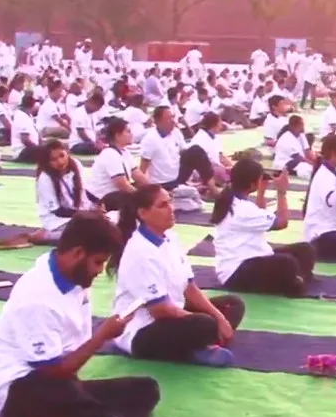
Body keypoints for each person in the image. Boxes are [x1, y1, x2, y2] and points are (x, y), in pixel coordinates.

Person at [0, 216, 161, 417]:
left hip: (60, 385)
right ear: (78, 253)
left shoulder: (74, 277)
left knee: (146, 390)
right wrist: (102, 336)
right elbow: (53, 372)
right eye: (98, 262)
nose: (99, 270)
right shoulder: (37, 299)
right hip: (23, 392)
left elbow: (66, 369)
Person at [109, 185, 246, 366]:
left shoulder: (171, 238)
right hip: (143, 329)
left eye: (170, 202)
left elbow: (190, 288)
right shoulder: (140, 251)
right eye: (163, 205)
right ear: (143, 214)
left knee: (233, 305)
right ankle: (197, 347)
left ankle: (199, 344)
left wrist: (219, 317)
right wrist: (206, 321)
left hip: (172, 313)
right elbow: (160, 310)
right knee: (205, 324)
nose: (171, 209)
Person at [210, 160, 315, 296]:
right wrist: (282, 192)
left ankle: (295, 281)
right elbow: (282, 222)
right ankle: (295, 282)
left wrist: (261, 192)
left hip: (251, 259)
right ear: (253, 183)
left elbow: (261, 215)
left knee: (304, 250)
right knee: (288, 263)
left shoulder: (232, 199)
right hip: (237, 272)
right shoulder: (242, 209)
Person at [138, 105, 218, 191]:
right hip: (162, 183)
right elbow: (143, 168)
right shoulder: (150, 139)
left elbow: (185, 154)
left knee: (196, 151)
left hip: (177, 176)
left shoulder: (176, 132)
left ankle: (212, 188)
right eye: (168, 119)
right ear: (158, 121)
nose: (173, 121)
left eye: (173, 117)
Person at [86, 117, 149, 211]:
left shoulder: (125, 152)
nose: (131, 135)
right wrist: (142, 199)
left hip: (115, 194)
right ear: (118, 135)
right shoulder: (110, 154)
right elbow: (122, 184)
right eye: (128, 132)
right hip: (102, 197)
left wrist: (156, 190)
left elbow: (139, 176)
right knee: (138, 204)